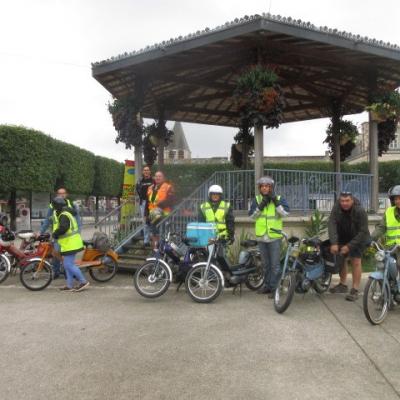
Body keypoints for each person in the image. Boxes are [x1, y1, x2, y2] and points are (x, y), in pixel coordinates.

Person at [249, 176, 290, 298]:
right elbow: (252, 217)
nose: (265, 188)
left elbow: (285, 213)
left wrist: (275, 202)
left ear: (271, 187)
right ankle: (267, 286)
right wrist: (261, 205)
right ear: (259, 188)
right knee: (266, 265)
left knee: (275, 265)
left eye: (267, 186)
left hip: (274, 237)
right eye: (262, 186)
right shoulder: (256, 200)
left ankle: (275, 288)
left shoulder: (279, 198)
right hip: (262, 237)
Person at [328, 192, 370, 301]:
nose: (344, 203)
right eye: (342, 201)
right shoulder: (336, 207)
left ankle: (355, 289)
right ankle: (342, 285)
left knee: (355, 261)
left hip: (358, 237)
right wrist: (334, 242)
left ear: (352, 200)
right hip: (344, 234)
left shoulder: (360, 210)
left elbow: (363, 231)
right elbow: (332, 223)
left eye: (347, 201)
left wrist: (349, 246)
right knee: (341, 259)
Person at [40, 187, 81, 278]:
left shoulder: (72, 205)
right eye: (59, 193)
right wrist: (41, 232)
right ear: (57, 195)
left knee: (67, 255)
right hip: (58, 235)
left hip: (69, 236)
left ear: (66, 194)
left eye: (63, 193)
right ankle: (56, 271)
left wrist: (78, 233)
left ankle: (68, 272)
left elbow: (78, 220)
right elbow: (47, 220)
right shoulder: (52, 206)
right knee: (56, 253)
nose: (61, 195)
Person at [51, 197, 89, 292]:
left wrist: (55, 234)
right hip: (69, 243)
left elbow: (64, 228)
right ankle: (69, 285)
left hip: (71, 243)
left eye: (55, 207)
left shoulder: (64, 215)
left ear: (57, 206)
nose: (54, 208)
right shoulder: (66, 213)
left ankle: (83, 281)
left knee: (68, 264)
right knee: (67, 264)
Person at [371, 185, 400, 273]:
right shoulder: (389, 211)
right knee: (383, 266)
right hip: (390, 248)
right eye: (395, 199)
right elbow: (381, 227)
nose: (397, 201)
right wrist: (371, 238)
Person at [146, 171, 175, 248]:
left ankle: (162, 250)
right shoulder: (151, 188)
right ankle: (155, 251)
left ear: (163, 178)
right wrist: (146, 214)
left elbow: (171, 200)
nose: (157, 178)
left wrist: (159, 205)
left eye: (160, 176)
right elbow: (148, 202)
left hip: (164, 214)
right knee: (153, 234)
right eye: (156, 176)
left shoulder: (168, 187)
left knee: (163, 234)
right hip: (153, 215)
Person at [135, 165, 154, 247]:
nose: (146, 171)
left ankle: (153, 239)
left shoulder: (153, 181)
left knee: (153, 220)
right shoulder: (140, 181)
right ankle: (146, 240)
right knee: (145, 222)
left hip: (152, 203)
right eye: (144, 170)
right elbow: (138, 190)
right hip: (143, 203)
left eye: (147, 170)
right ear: (143, 172)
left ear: (150, 172)